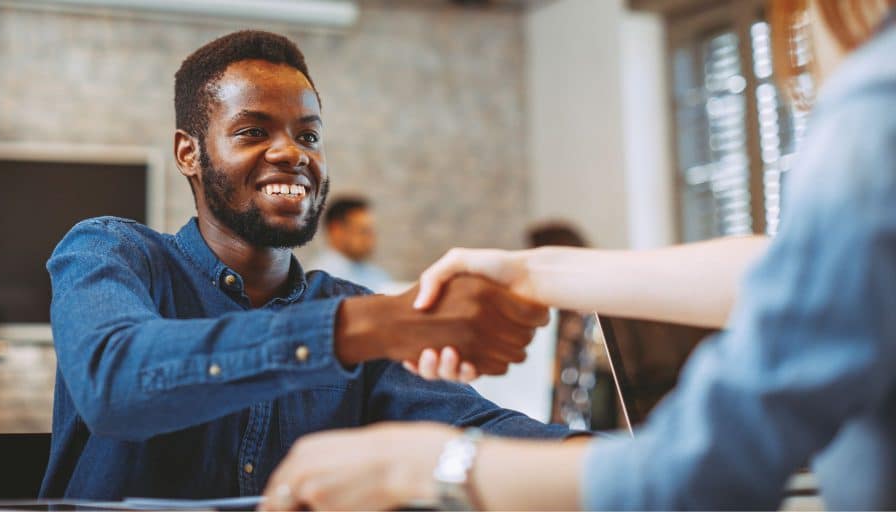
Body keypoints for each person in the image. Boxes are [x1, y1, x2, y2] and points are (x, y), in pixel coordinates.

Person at [262, 0, 896, 509]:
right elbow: (807, 272)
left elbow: (704, 470)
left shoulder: (874, 108)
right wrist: (530, 270)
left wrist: (424, 467)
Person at [39, 30, 578, 501]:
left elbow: (481, 426)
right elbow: (115, 383)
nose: (292, 153)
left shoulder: (346, 305)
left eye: (309, 135)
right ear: (189, 153)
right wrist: (367, 326)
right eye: (253, 131)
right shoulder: (109, 251)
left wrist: (636, 462)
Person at [310, 195, 393, 291]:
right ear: (336, 230)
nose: (371, 239)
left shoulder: (377, 275)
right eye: (363, 231)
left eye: (372, 231)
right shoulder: (320, 280)